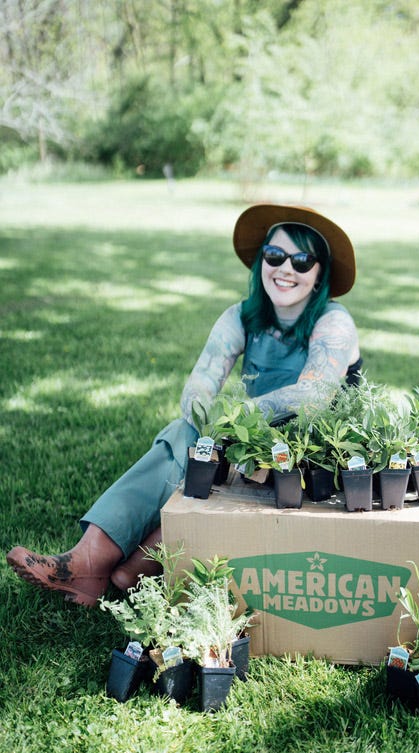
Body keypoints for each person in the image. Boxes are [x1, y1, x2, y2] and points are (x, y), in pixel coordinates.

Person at [6, 204, 362, 606]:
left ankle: (124, 565)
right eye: (275, 256)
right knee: (185, 432)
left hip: (310, 456)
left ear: (319, 275)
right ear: (262, 260)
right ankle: (93, 561)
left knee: (198, 453)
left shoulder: (333, 322)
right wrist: (210, 427)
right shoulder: (241, 318)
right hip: (248, 440)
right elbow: (197, 389)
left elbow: (312, 397)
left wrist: (229, 424)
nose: (286, 269)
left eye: (302, 260)